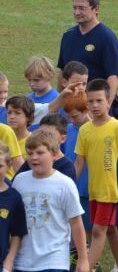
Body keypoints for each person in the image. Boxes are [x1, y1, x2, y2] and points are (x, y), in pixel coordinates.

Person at [12, 130, 89, 272]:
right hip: (22, 260)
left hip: (54, 260)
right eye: (30, 153)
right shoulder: (19, 181)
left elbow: (76, 223)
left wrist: (83, 259)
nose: (34, 157)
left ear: (54, 155)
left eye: (40, 153)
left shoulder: (64, 184)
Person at [74, 79, 118, 271]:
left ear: (109, 101)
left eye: (99, 101)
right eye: (90, 101)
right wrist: (69, 185)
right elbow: (79, 162)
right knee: (112, 231)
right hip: (95, 191)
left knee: (98, 231)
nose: (94, 105)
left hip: (113, 192)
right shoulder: (85, 130)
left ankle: (85, 268)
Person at [58, 0, 118, 120]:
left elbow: (113, 77)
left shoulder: (107, 38)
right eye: (74, 7)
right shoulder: (68, 36)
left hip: (96, 109)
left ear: (96, 9)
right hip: (72, 109)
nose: (77, 12)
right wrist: (59, 103)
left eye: (82, 8)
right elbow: (62, 72)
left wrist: (105, 107)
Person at [63, 91, 93, 239]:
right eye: (69, 116)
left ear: (86, 110)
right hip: (72, 185)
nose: (71, 120)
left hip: (88, 187)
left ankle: (89, 259)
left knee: (88, 227)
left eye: (74, 116)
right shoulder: (68, 130)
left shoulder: (94, 130)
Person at [16, 114, 76, 182]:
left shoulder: (67, 167)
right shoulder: (32, 160)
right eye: (41, 133)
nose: (44, 138)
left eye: (50, 135)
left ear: (63, 139)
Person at [0, 143, 27, 272]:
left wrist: (9, 261)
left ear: (9, 165)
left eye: (0, 166)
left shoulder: (13, 197)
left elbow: (17, 233)